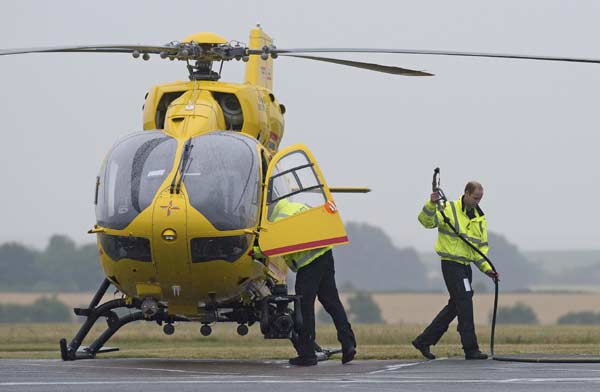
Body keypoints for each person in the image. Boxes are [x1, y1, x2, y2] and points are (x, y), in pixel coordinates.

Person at [255, 198, 357, 366]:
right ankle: (348, 344)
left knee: (304, 308)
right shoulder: (300, 207)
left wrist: (255, 252)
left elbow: (274, 245)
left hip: (308, 265)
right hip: (325, 255)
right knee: (333, 303)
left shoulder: (279, 219)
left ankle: (307, 354)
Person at [412, 181, 499, 360]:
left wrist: (488, 269)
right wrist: (431, 203)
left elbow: (480, 249)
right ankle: (470, 349)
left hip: (466, 267)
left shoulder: (479, 218)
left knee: (456, 305)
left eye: (480, 199)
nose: (477, 202)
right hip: (451, 265)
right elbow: (425, 221)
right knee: (465, 302)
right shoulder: (447, 209)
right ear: (466, 193)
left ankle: (424, 340)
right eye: (475, 198)